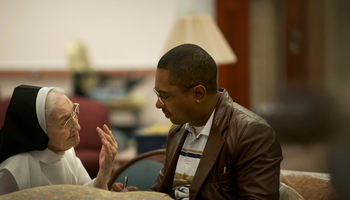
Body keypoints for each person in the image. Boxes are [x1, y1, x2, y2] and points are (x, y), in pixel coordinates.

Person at [150, 44, 283, 200]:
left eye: (164, 96)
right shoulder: (178, 130)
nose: (158, 104)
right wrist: (135, 195)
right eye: (157, 94)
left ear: (198, 93)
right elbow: (162, 193)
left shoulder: (251, 133)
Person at [0, 85, 134, 195]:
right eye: (65, 122)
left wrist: (103, 174)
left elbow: (84, 193)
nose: (77, 126)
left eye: (74, 113)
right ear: (39, 129)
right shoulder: (14, 171)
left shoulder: (66, 152)